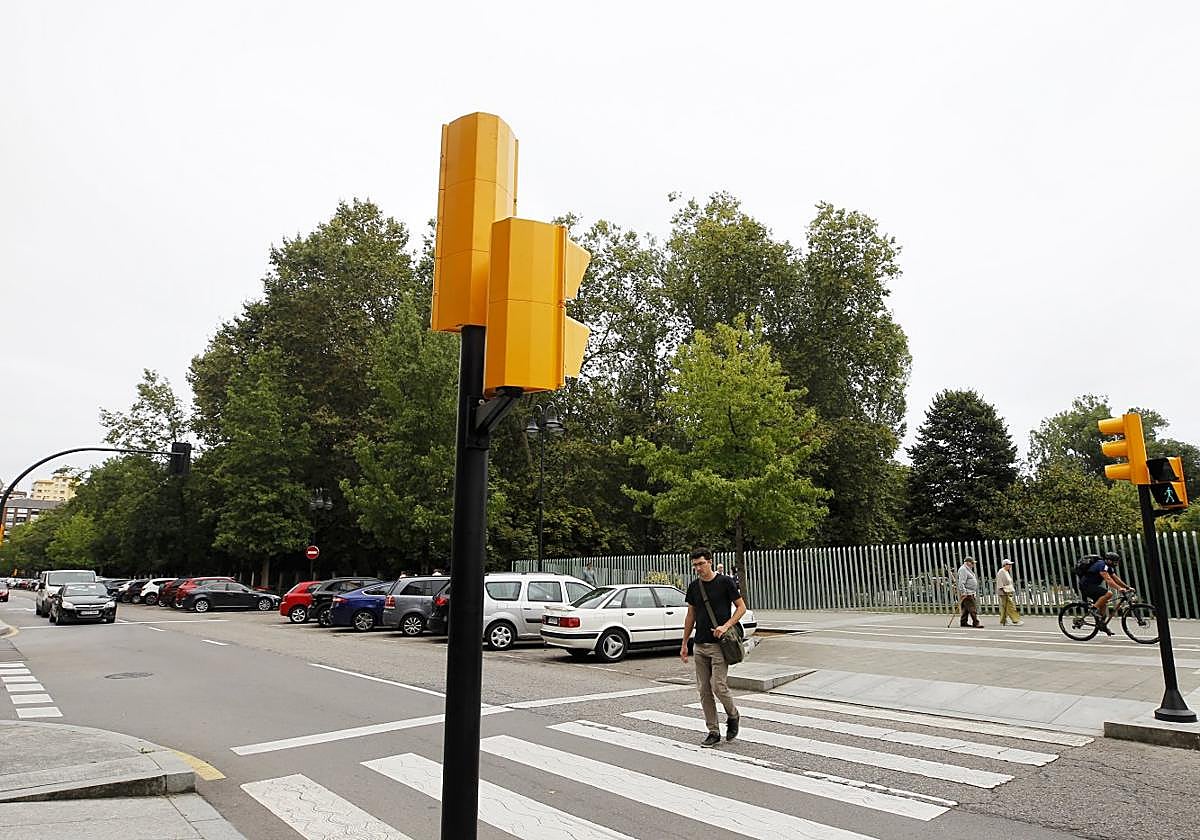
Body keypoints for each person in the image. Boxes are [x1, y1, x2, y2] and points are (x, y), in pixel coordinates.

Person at [680, 547, 746, 747]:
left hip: (720, 645)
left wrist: (725, 626)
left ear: (710, 561)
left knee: (718, 685)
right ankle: (713, 731)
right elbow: (690, 615)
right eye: (695, 565)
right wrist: (684, 643)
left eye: (701, 564)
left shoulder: (725, 582)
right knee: (704, 689)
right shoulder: (694, 587)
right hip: (700, 644)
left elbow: (742, 608)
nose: (698, 568)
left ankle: (733, 715)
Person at [1080, 551, 1133, 636]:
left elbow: (1116, 579)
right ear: (1108, 560)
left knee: (1104, 603)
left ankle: (1102, 624)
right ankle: (1093, 609)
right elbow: (1108, 580)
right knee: (1109, 594)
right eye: (1115, 561)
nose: (1116, 563)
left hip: (1092, 586)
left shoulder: (1108, 567)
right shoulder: (1102, 565)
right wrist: (1119, 588)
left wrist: (1127, 587)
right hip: (1086, 586)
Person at [957, 556, 983, 628]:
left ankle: (963, 622)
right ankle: (976, 622)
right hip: (967, 593)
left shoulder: (968, 569)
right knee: (972, 608)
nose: (973, 564)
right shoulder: (963, 570)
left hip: (970, 592)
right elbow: (961, 582)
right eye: (972, 563)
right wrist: (964, 592)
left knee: (966, 608)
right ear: (967, 562)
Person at [996, 558, 1022, 626]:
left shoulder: (1006, 571)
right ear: (1005, 565)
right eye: (1009, 564)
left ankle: (1003, 621)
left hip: (1006, 591)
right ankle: (1015, 620)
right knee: (1010, 606)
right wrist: (1003, 589)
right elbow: (999, 581)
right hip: (1003, 591)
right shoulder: (1001, 571)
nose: (1010, 566)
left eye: (1010, 564)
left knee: (1005, 606)